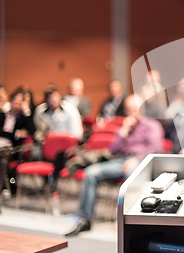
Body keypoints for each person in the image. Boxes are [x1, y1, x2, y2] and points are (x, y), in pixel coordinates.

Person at [65, 94, 164, 236]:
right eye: (128, 109)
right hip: (122, 160)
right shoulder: (126, 126)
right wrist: (123, 132)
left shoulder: (152, 125)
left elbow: (156, 147)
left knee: (131, 174)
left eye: (134, 109)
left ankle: (131, 223)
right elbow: (113, 150)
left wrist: (137, 159)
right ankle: (85, 219)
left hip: (142, 163)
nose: (131, 112)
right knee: (91, 173)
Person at [0, 89, 36, 195]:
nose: (17, 105)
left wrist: (27, 112)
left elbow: (33, 131)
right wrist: (14, 134)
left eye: (19, 103)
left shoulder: (22, 119)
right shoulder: (2, 115)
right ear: (10, 102)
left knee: (2, 161)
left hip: (11, 150)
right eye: (15, 102)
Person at [33, 85, 83, 160]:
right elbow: (38, 131)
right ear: (46, 100)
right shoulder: (40, 111)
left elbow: (78, 133)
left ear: (60, 97)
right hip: (46, 144)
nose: (53, 101)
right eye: (50, 99)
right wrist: (42, 140)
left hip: (67, 145)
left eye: (55, 98)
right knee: (35, 153)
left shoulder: (71, 109)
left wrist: (60, 140)